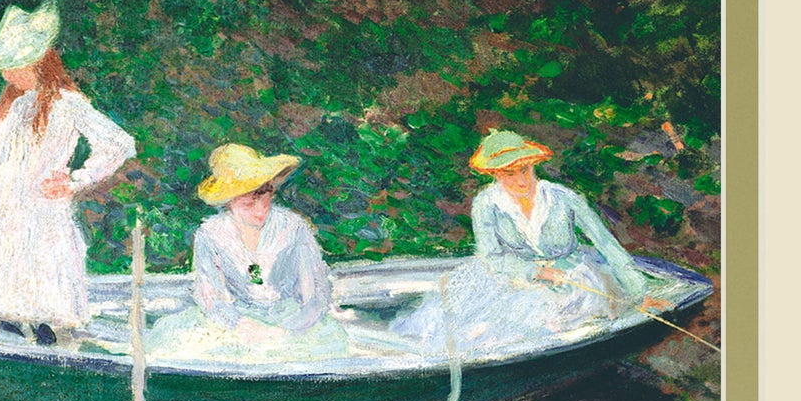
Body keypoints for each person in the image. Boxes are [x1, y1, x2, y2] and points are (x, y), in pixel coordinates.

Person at [0, 0, 135, 344]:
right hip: (3, 221)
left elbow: (118, 143)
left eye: (13, 65)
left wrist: (76, 180)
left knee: (44, 314)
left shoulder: (67, 103)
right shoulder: (12, 108)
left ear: (39, 63)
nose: (6, 75)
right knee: (7, 313)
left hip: (38, 219)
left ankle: (49, 351)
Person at [393, 128, 666, 352]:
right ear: (495, 174)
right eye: (509, 174)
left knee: (558, 322)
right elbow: (491, 256)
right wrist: (534, 272)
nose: (521, 181)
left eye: (524, 170)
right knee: (480, 331)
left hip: (572, 280)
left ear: (533, 165)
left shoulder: (563, 198)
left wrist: (640, 292)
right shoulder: (487, 204)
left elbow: (605, 244)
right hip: (515, 281)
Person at [142, 144, 349, 362]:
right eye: (249, 204)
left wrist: (285, 331)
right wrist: (242, 325)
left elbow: (316, 296)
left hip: (293, 323)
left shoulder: (293, 228)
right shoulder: (211, 234)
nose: (260, 210)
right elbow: (212, 298)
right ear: (230, 201)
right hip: (237, 324)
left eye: (265, 198)